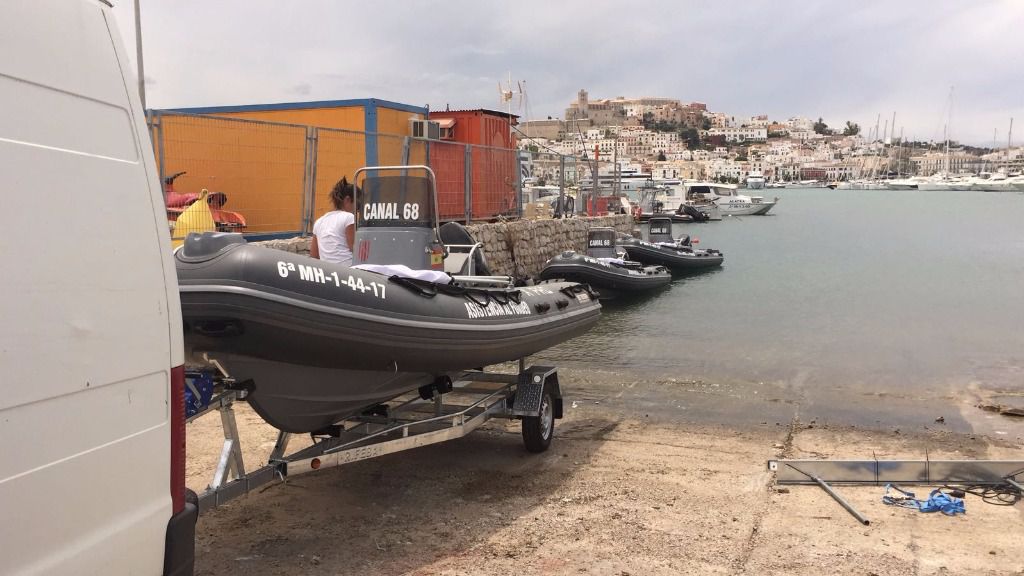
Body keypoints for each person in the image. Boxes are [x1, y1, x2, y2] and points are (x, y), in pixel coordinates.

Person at [311, 177, 356, 266]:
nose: (357, 209)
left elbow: (314, 255)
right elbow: (354, 249)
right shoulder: (349, 217)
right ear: (348, 200)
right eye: (357, 203)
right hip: (348, 269)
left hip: (328, 270)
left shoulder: (319, 221)